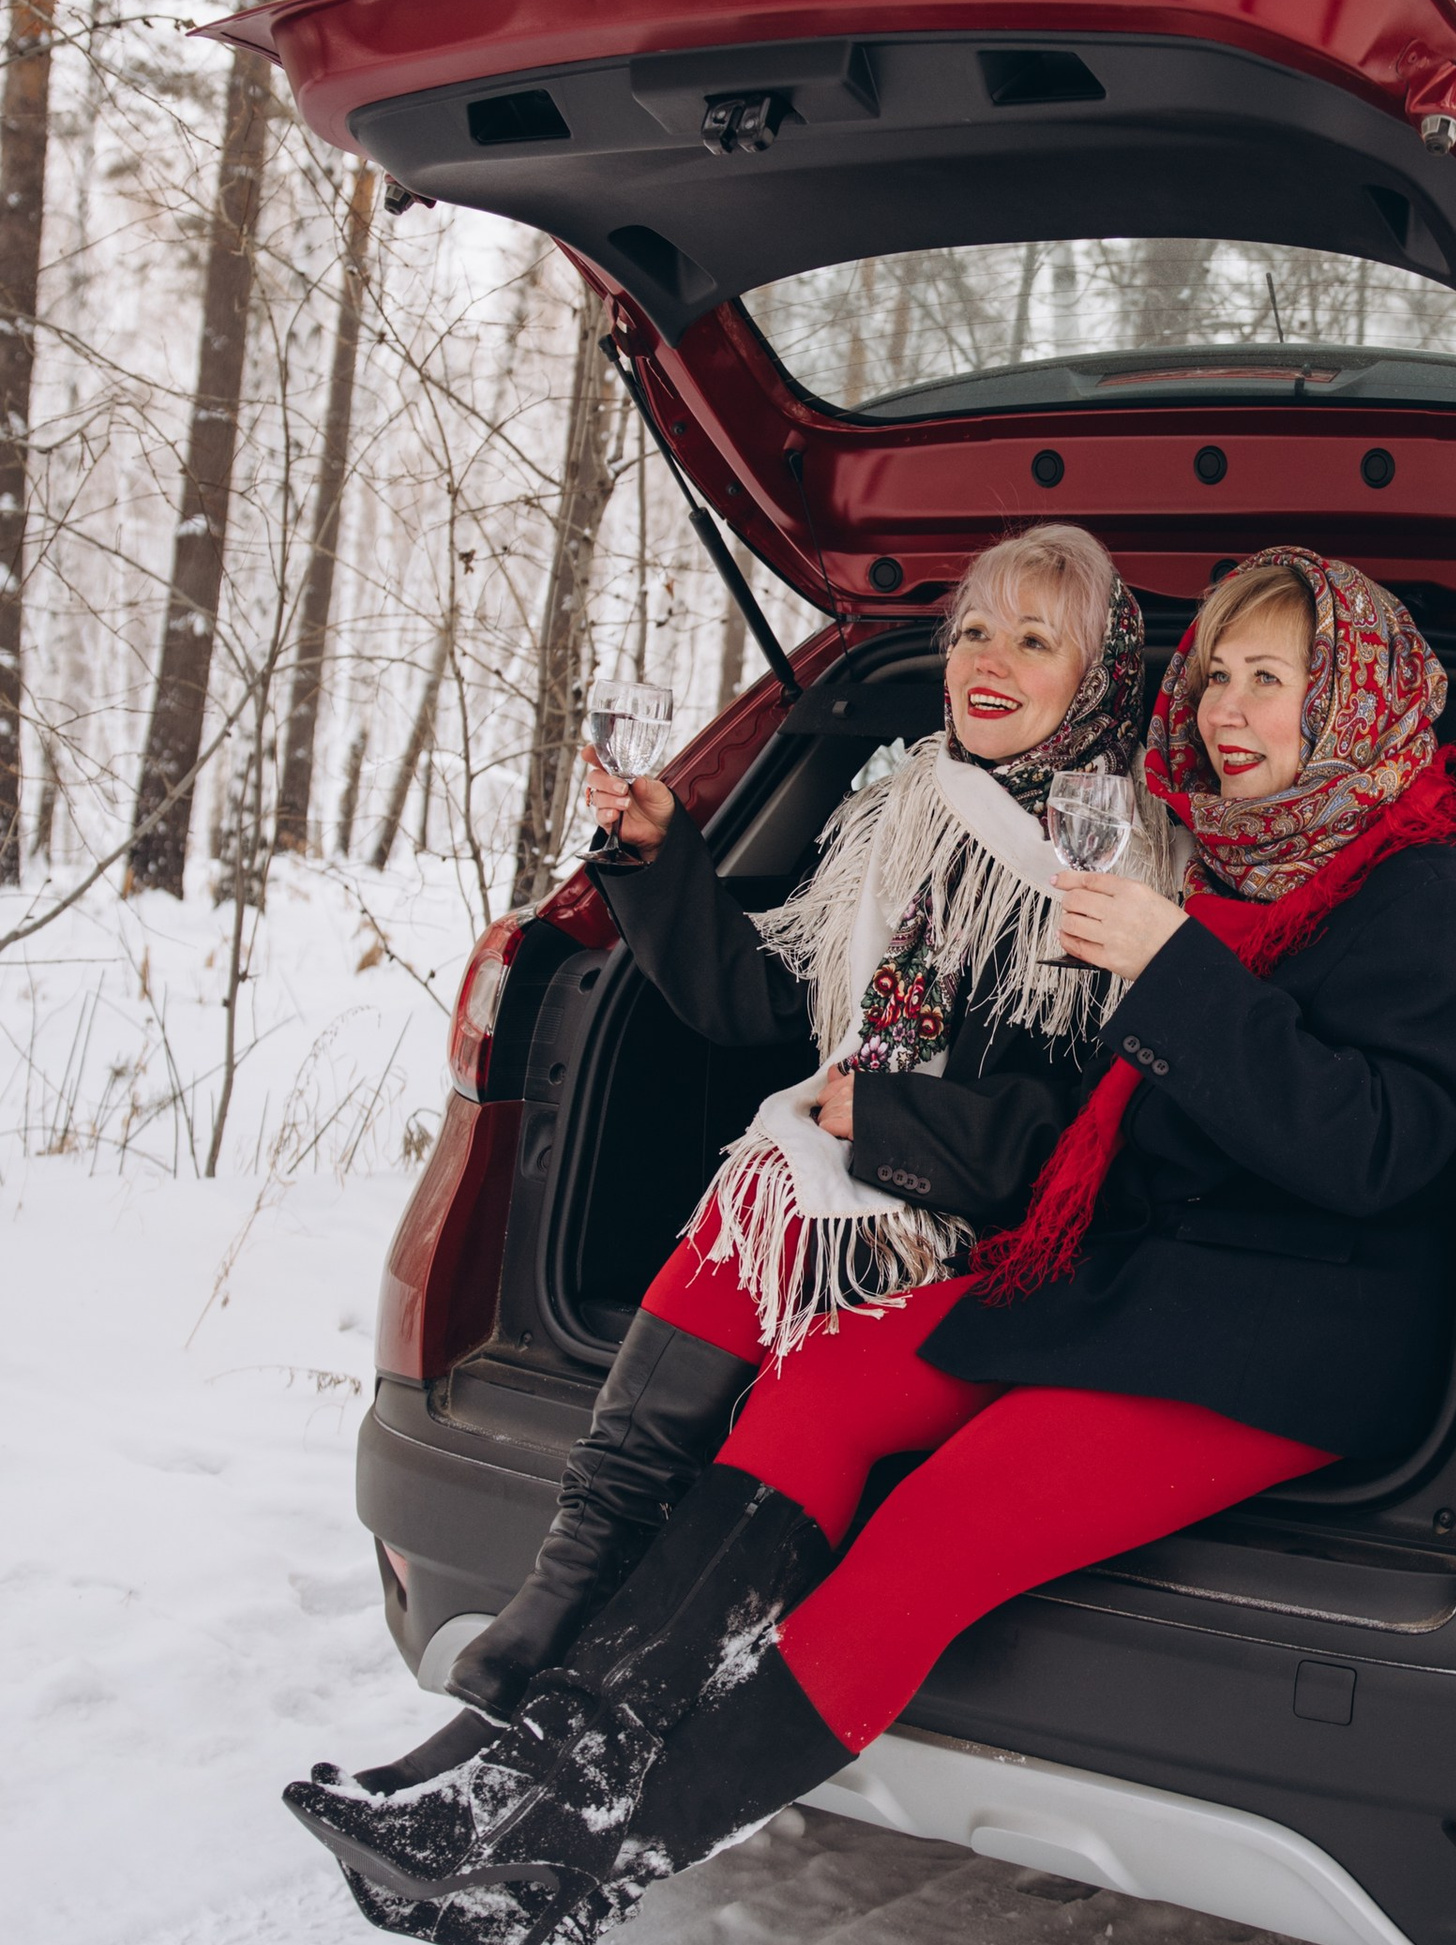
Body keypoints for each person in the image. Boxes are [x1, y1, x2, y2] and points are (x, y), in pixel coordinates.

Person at [286, 548, 1456, 1945]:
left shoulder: (1444, 894)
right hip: (1127, 1278)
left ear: (1357, 696)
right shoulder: (1226, 856)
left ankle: (578, 1870)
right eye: (1216, 677)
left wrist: (1175, 973)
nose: (1229, 713)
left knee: (936, 1524)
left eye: (1275, 679)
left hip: (1286, 1338)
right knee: (827, 1379)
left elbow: (1376, 1152)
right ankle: (545, 1757)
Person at [380, 518, 1173, 1752]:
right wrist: (655, 858)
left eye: (1034, 638)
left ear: (1102, 676)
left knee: (779, 1176)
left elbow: (1083, 1139)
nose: (989, 658)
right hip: (853, 1178)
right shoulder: (909, 809)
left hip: (996, 1240)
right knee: (776, 1168)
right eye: (972, 629)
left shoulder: (1119, 866)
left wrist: (888, 1114)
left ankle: (555, 1634)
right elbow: (762, 997)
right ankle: (551, 1627)